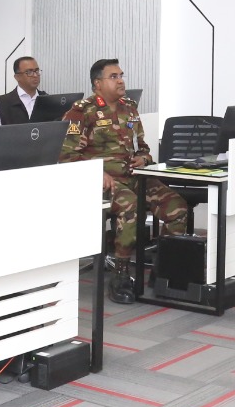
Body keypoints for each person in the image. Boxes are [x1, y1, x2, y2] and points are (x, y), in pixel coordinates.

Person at [60, 59, 188, 260]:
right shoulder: (81, 112)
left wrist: (143, 158)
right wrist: (97, 173)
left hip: (132, 176)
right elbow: (66, 157)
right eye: (113, 77)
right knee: (131, 205)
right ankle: (121, 269)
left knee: (176, 206)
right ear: (97, 83)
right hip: (101, 182)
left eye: (121, 76)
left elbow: (142, 147)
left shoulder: (129, 108)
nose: (120, 81)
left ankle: (165, 267)